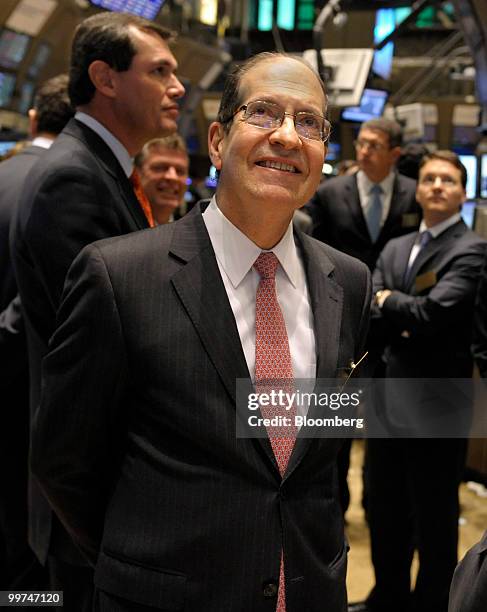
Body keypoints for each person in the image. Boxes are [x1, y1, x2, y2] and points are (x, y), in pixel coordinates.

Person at [31, 52, 371, 611]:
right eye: (263, 113)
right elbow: (64, 462)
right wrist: (141, 565)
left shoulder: (349, 282)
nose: (288, 136)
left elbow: (322, 458)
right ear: (216, 141)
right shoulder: (120, 276)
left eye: (309, 122)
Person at [10, 12, 184, 610]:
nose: (178, 87)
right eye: (160, 71)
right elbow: (104, 349)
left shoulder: (101, 168)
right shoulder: (74, 180)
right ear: (105, 78)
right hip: (90, 494)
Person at [349, 151, 487, 612]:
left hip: (438, 397)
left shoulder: (470, 249)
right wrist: (398, 308)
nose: (436, 186)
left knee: (433, 513)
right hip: (389, 392)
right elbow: (373, 307)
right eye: (429, 179)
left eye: (447, 179)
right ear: (418, 188)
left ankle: (432, 601)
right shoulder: (395, 246)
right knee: (382, 504)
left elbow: (435, 313)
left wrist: (394, 305)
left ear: (462, 192)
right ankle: (387, 596)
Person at [307, 118, 421, 515]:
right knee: (334, 420)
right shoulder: (330, 192)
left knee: (386, 429)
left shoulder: (415, 194)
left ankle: (381, 504)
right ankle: (333, 503)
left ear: (394, 154)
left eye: (375, 145)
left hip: (394, 329)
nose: (365, 151)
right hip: (341, 323)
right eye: (362, 143)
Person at [0, 74, 73, 589]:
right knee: (32, 564)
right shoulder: (72, 182)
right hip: (39, 402)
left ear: (32, 119)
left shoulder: (5, 175)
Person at [134, 134, 189, 224]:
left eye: (180, 171)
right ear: (136, 174)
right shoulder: (117, 229)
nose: (173, 177)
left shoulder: (190, 233)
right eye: (160, 167)